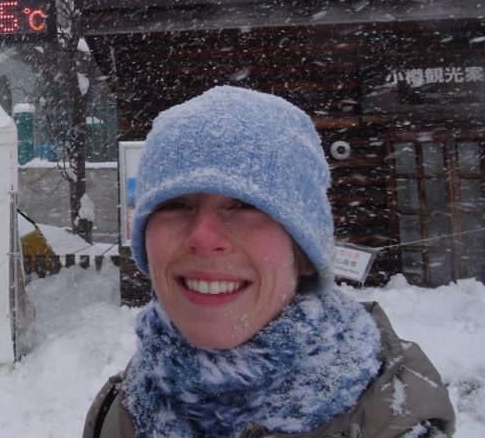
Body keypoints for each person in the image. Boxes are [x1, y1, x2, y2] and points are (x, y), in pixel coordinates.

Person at [83, 86, 455, 438]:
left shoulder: (393, 421)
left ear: (305, 255)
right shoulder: (119, 413)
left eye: (246, 204)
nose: (202, 238)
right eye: (174, 205)